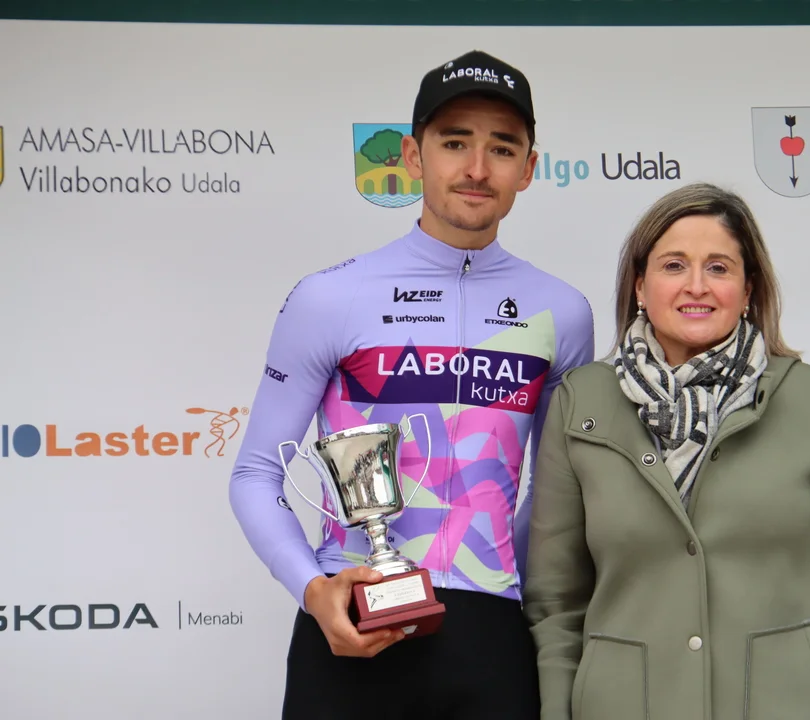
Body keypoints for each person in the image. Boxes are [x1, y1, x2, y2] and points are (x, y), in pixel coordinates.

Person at [229, 49, 595, 720]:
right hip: (350, 619)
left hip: (493, 634)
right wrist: (313, 589)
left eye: (502, 147)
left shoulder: (562, 313)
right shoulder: (330, 297)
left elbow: (557, 494)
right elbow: (256, 472)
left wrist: (516, 587)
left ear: (528, 168)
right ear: (413, 155)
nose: (477, 168)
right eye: (455, 142)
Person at [523, 182, 810, 720]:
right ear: (640, 286)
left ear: (748, 288)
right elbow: (556, 603)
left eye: (718, 267)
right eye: (674, 265)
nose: (696, 286)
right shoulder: (580, 401)